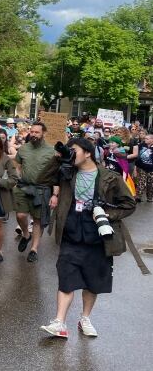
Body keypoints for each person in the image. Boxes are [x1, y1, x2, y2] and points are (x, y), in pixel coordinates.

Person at [37, 138, 135, 338]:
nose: (71, 153)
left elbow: (129, 204)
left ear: (88, 153)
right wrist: (58, 158)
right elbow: (41, 179)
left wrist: (108, 214)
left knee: (93, 280)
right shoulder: (66, 172)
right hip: (71, 229)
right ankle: (59, 322)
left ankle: (85, 318)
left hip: (97, 234)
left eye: (74, 150)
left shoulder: (110, 177)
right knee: (66, 276)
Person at [13, 122, 53, 263]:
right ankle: (25, 234)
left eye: (37, 132)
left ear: (43, 133)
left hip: (42, 190)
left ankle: (34, 249)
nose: (34, 134)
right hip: (23, 187)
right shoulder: (23, 148)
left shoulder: (51, 151)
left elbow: (55, 174)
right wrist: (18, 178)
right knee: (21, 215)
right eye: (32, 131)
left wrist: (55, 194)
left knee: (37, 221)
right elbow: (17, 165)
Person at [135, 134, 153, 202]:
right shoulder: (141, 145)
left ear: (152, 140)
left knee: (150, 183)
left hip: (151, 169)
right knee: (141, 181)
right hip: (142, 167)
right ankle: (138, 196)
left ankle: (149, 197)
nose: (145, 139)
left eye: (147, 139)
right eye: (145, 138)